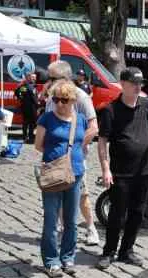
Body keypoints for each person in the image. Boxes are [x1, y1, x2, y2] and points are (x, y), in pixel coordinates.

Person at [96, 67, 148, 270]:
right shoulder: (110, 110)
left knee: (137, 213)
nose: (138, 87)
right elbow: (102, 141)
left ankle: (127, 251)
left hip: (144, 169)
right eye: (134, 83)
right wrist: (105, 169)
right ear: (123, 84)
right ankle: (109, 251)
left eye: (140, 83)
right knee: (117, 214)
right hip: (120, 171)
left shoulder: (147, 105)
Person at [35, 80, 94, 278]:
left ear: (73, 100)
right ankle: (51, 261)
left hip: (75, 174)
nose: (59, 104)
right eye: (56, 99)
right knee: (51, 220)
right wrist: (57, 159)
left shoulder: (81, 119)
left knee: (71, 220)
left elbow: (82, 141)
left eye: (64, 100)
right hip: (53, 174)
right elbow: (38, 145)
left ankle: (68, 257)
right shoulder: (47, 118)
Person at [45, 61, 100, 246]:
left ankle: (91, 228)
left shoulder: (81, 97)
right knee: (58, 191)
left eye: (51, 78)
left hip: (76, 159)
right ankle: (63, 228)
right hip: (55, 158)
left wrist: (75, 147)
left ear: (64, 78)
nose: (48, 81)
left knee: (82, 195)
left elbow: (93, 127)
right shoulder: (51, 98)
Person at [15, 72, 39, 144]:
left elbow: (17, 93)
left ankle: (25, 137)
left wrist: (22, 99)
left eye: (35, 77)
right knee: (32, 123)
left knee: (25, 123)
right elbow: (34, 98)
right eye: (32, 77)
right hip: (31, 108)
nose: (34, 79)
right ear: (28, 78)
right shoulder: (30, 86)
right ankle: (30, 138)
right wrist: (38, 105)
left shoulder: (24, 86)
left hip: (25, 107)